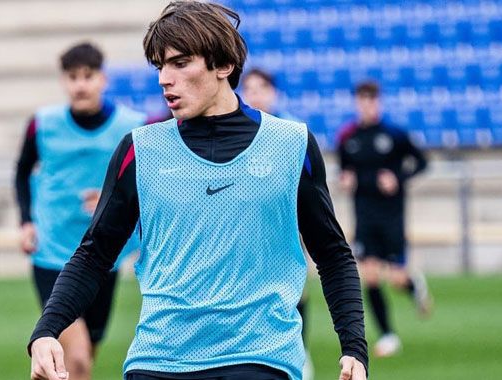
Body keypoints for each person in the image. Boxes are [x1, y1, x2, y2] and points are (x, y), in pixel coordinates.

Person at [28, 2, 368, 380]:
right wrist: (46, 331)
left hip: (260, 359)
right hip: (158, 362)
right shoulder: (139, 150)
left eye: (179, 63)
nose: (164, 79)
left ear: (223, 65)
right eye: (160, 66)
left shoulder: (291, 144)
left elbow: (333, 255)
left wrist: (354, 347)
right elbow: (95, 254)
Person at [15, 42, 147, 380]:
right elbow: (22, 170)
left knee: (88, 350)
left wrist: (111, 196)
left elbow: (146, 180)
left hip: (103, 253)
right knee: (77, 360)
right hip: (54, 251)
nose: (80, 84)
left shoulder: (133, 127)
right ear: (64, 81)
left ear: (102, 79)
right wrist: (26, 221)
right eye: (72, 77)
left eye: (88, 76)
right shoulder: (42, 124)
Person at [337, 81, 432, 358]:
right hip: (364, 215)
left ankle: (414, 285)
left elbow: (422, 163)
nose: (366, 105)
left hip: (391, 215)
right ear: (357, 103)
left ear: (378, 103)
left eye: (371, 100)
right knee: (370, 276)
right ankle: (388, 335)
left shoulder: (395, 135)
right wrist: (346, 178)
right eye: (361, 100)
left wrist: (398, 179)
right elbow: (345, 169)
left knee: (395, 277)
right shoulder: (348, 137)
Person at [242, 67, 313, 380]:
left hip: (286, 224)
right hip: (248, 227)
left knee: (295, 290)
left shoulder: (291, 132)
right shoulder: (237, 131)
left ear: (273, 92)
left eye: (262, 88)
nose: (256, 94)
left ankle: (298, 349)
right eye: (250, 88)